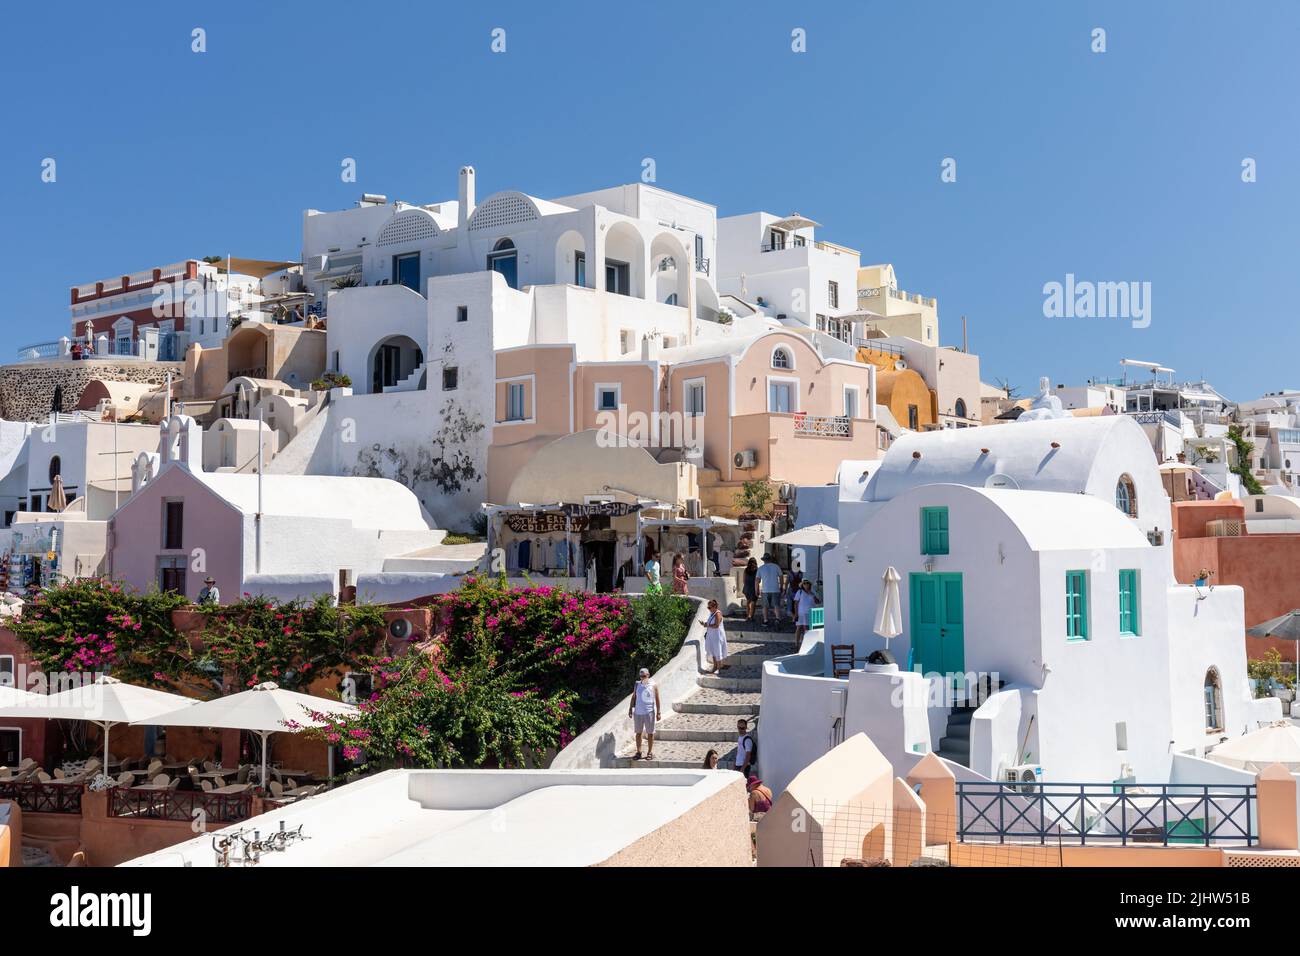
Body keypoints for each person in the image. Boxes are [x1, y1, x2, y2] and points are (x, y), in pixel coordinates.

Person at [628, 667, 661, 761]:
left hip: (649, 712)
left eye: (644, 676)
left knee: (650, 733)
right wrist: (630, 708)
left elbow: (657, 699)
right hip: (638, 713)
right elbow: (633, 697)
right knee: (638, 733)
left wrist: (658, 712)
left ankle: (650, 752)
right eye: (641, 676)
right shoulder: (637, 684)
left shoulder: (653, 685)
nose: (642, 677)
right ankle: (638, 751)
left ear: (648, 675)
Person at [756, 554, 784, 627]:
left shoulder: (761, 568)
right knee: (776, 605)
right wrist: (781, 586)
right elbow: (781, 577)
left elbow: (757, 580)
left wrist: (757, 590)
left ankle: (765, 620)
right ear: (770, 559)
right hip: (775, 589)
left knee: (765, 606)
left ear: (764, 560)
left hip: (765, 590)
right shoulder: (776, 566)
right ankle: (778, 619)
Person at [703, 599, 729, 673]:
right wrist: (705, 624)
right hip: (712, 635)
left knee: (717, 650)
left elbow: (716, 625)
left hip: (717, 635)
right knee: (713, 650)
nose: (709, 609)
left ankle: (719, 666)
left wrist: (707, 625)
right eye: (708, 607)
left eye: (709, 607)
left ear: (714, 607)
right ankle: (715, 666)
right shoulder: (712, 614)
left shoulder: (718, 613)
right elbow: (711, 623)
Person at [794, 579, 818, 647]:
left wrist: (812, 595)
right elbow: (795, 603)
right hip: (801, 613)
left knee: (806, 628)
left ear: (809, 584)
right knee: (799, 628)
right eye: (804, 583)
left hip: (810, 613)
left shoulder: (813, 593)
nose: (806, 584)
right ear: (802, 585)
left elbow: (817, 602)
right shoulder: (800, 592)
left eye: (807, 583)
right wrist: (796, 613)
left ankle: (805, 644)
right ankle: (796, 644)